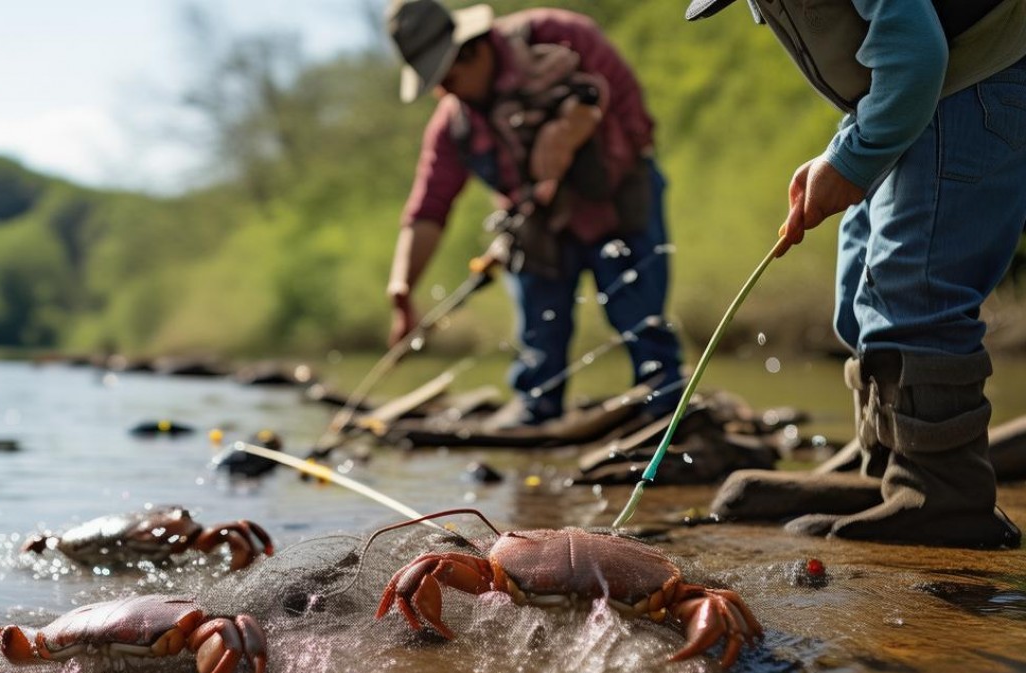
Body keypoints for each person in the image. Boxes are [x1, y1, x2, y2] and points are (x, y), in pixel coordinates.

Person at [689, 0, 1026, 548]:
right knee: (859, 290)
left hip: (974, 81)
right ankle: (889, 463)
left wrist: (855, 158)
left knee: (913, 287)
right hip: (927, 87)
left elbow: (916, 54)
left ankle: (944, 495)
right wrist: (847, 146)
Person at [384, 0, 683, 428]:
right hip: (538, 230)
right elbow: (428, 208)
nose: (443, 92)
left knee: (641, 321)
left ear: (473, 49)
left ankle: (666, 410)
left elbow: (637, 121)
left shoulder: (562, 35)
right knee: (540, 342)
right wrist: (402, 289)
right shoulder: (453, 125)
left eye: (446, 77)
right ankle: (536, 413)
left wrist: (570, 133)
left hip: (619, 203)